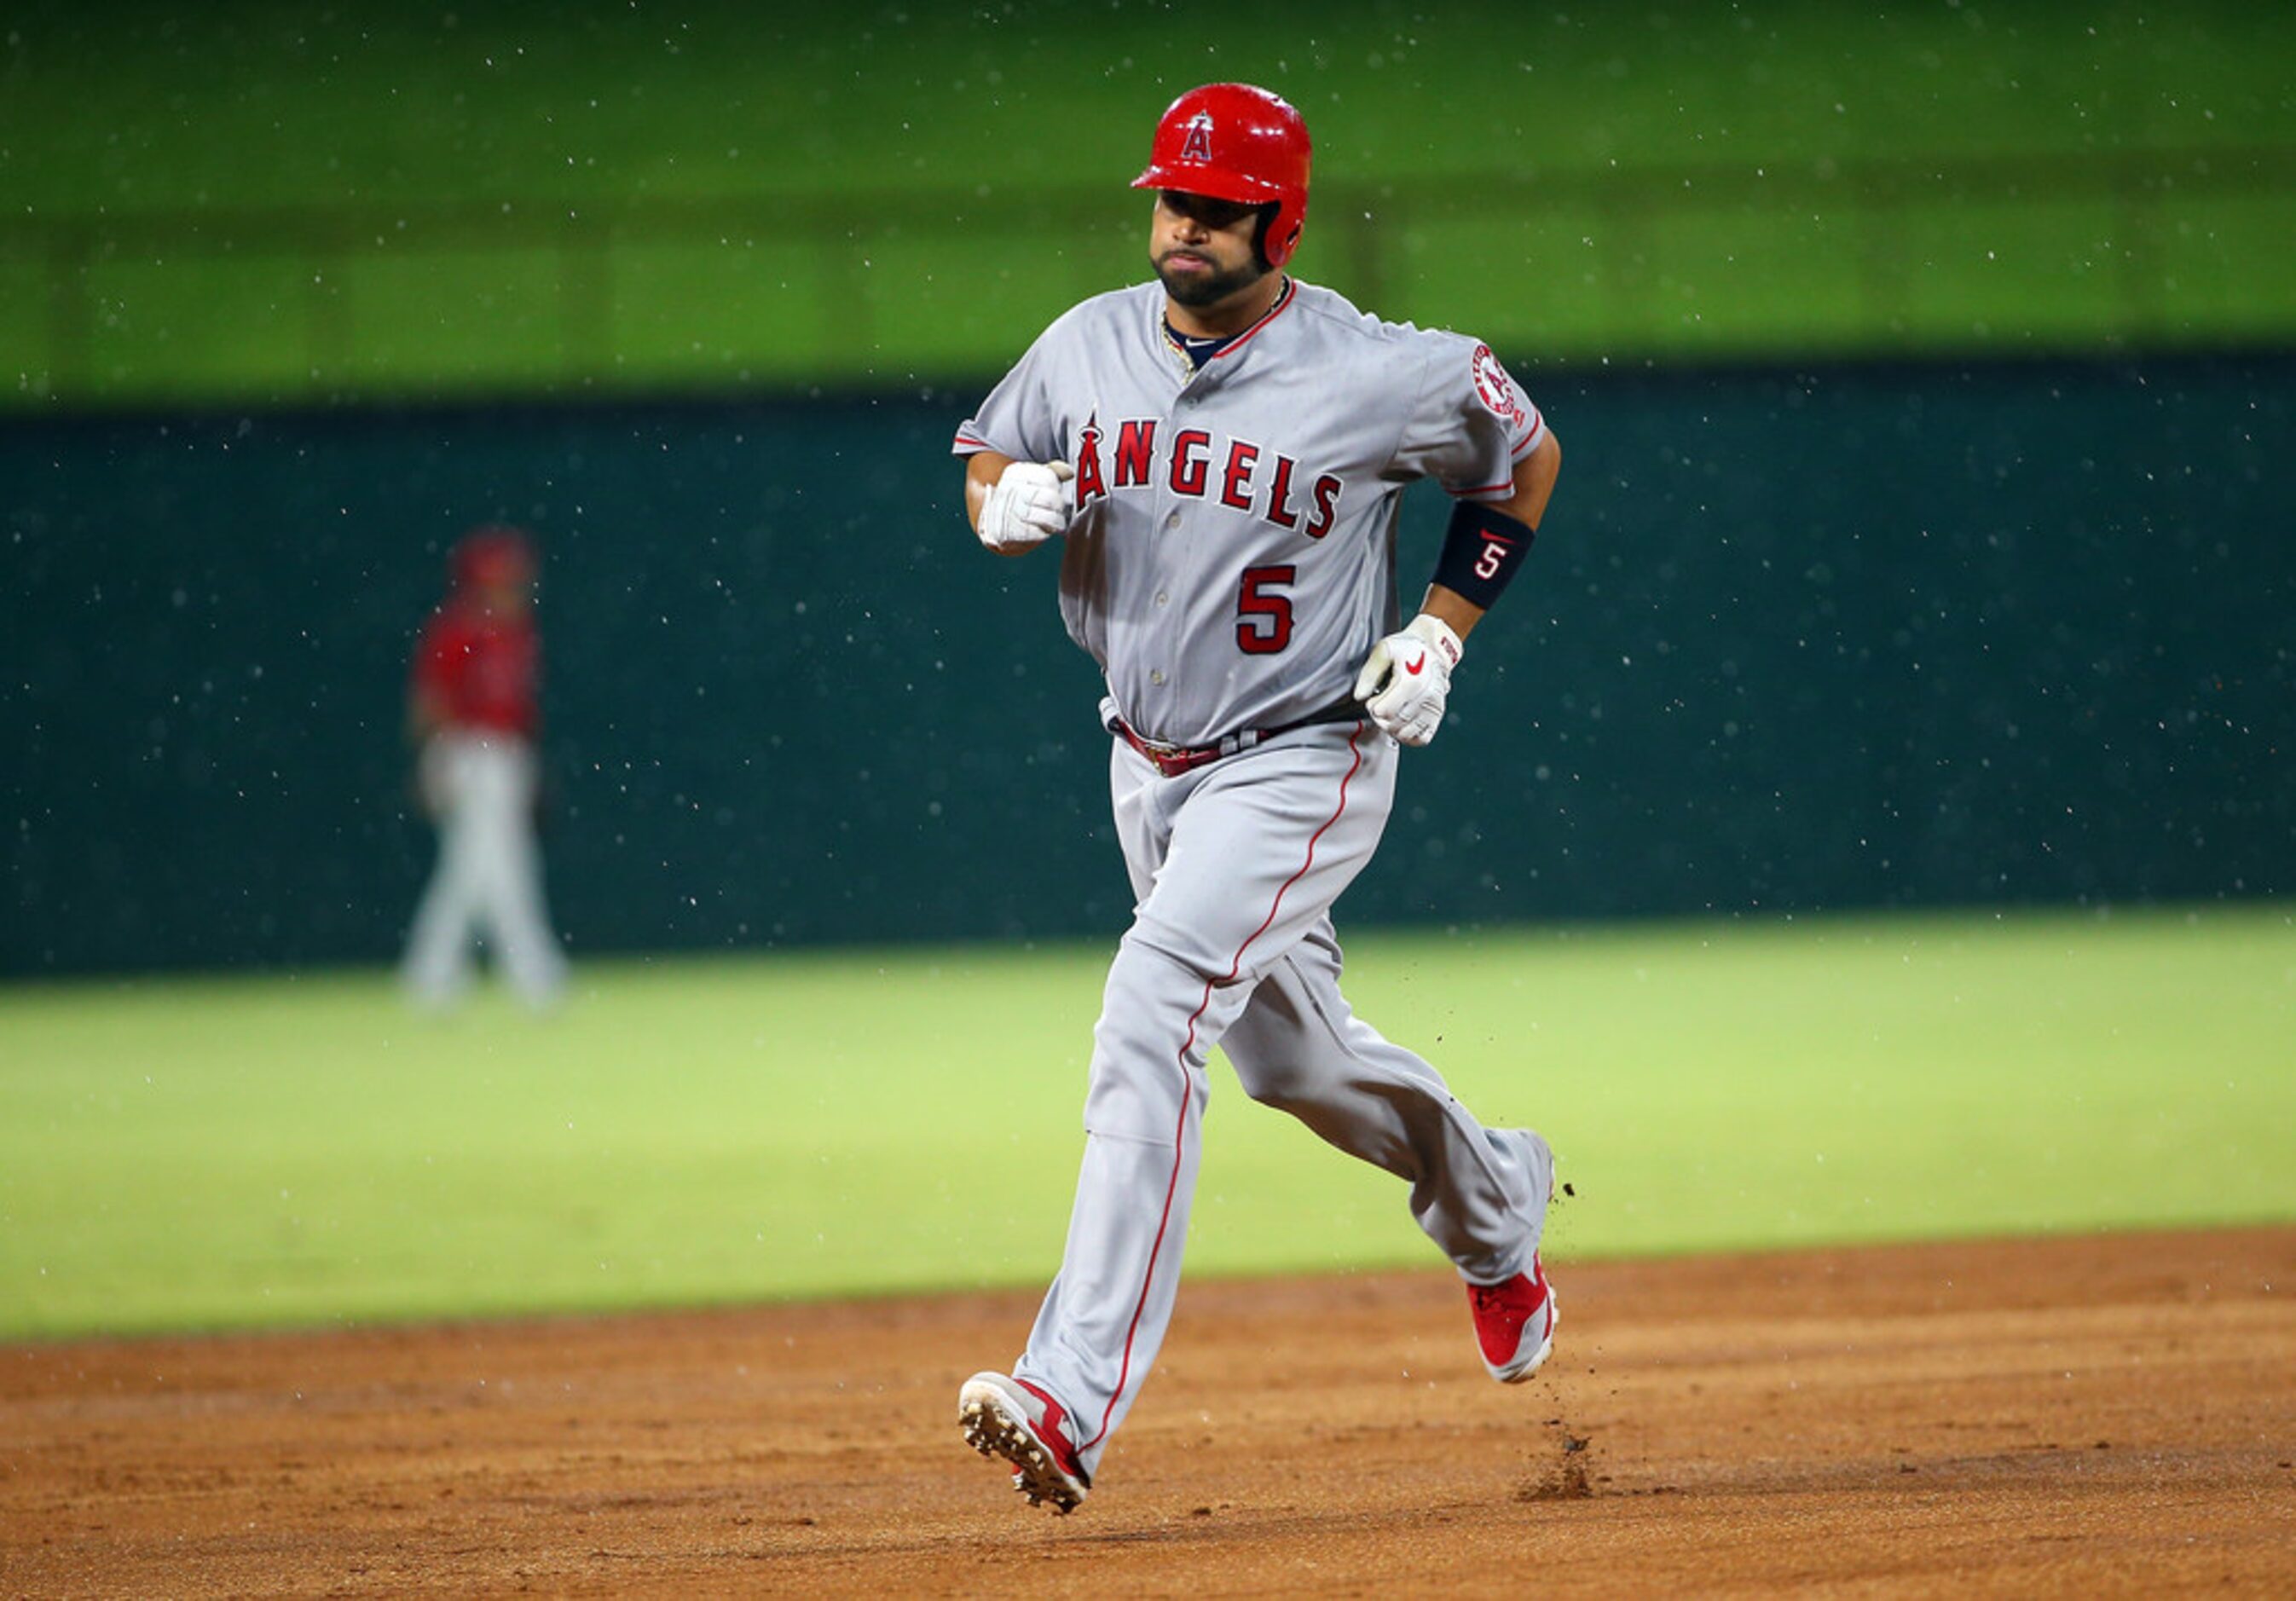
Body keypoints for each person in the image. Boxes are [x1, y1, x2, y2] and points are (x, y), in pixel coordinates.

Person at [951, 83, 1565, 1513]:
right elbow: (988, 451)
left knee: (1150, 1003)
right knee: (1297, 1066)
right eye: (1172, 199)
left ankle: (1067, 1390)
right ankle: (1496, 1209)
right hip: (1143, 760)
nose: (1184, 226)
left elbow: (1519, 458)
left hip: (1302, 752)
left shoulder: (1376, 369)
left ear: (1278, 222)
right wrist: (998, 501)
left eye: (1218, 210)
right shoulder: (1085, 340)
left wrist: (1437, 629)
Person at [399, 524, 569, 1012]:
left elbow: (521, 711)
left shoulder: (518, 632)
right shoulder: (456, 629)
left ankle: (430, 973)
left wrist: (530, 768)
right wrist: (432, 764)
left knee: (472, 871)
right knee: (502, 870)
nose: (516, 586)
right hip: (466, 753)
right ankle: (535, 975)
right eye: (504, 577)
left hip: (506, 756)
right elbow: (430, 700)